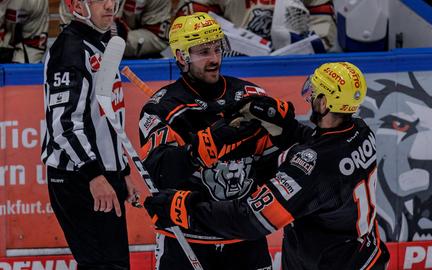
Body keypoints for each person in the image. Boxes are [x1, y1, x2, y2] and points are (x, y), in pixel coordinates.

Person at [143, 62, 391, 269]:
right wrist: (287, 129)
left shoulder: (310, 166)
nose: (310, 97)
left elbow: (252, 218)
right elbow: (324, 147)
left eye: (315, 93)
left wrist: (186, 209)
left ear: (325, 103)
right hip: (365, 255)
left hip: (327, 262)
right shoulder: (360, 131)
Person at [138, 12, 278, 270]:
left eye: (217, 49)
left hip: (244, 235)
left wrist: (282, 131)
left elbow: (272, 163)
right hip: (187, 239)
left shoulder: (248, 95)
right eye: (203, 52)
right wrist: (203, 147)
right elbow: (159, 173)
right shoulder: (162, 108)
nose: (214, 59)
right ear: (181, 56)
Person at [41, 0, 139, 269]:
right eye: (98, 0)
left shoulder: (101, 42)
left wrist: (122, 170)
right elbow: (65, 124)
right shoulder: (70, 50)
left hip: (102, 173)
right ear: (76, 5)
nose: (110, 6)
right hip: (79, 177)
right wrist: (94, 174)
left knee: (114, 263)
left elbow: (107, 115)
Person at [174, 0, 337, 53]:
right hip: (233, 67)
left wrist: (302, 46)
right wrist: (220, 50)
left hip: (293, 66)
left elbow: (324, 32)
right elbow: (189, 26)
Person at [59, 0, 171, 59]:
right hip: (84, 56)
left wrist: (123, 38)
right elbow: (69, 32)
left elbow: (158, 36)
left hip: (135, 59)